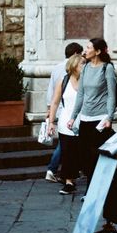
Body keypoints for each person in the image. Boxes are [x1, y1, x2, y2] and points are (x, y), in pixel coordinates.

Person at [67, 38, 117, 190]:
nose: (85, 50)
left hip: (100, 119)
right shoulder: (87, 68)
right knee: (85, 157)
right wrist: (73, 117)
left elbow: (111, 94)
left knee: (98, 156)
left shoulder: (107, 68)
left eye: (88, 48)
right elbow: (81, 94)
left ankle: (104, 188)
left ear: (97, 51)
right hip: (85, 118)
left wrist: (109, 116)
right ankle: (91, 190)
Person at [45, 41, 83, 183]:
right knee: (66, 147)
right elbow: (56, 97)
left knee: (68, 148)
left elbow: (51, 93)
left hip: (68, 116)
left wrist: (49, 112)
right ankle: (58, 171)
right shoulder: (65, 77)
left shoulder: (56, 68)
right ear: (75, 55)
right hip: (65, 114)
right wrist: (51, 119)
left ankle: (64, 172)